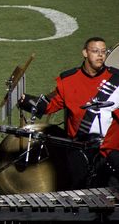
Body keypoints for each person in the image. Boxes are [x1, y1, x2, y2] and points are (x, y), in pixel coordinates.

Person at [19, 37, 119, 189]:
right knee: (78, 196)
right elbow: (48, 106)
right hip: (79, 151)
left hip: (110, 151)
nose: (100, 55)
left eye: (103, 52)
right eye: (95, 51)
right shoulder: (69, 80)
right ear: (85, 53)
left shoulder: (116, 79)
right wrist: (23, 99)